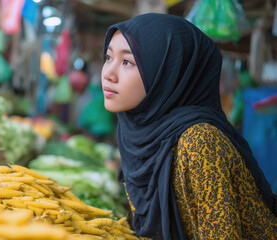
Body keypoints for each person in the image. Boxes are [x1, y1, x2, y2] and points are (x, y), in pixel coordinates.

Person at [101, 13, 277, 239]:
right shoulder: (136, 134)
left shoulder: (199, 143)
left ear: (168, 72)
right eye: (108, 57)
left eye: (127, 62)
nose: (108, 74)